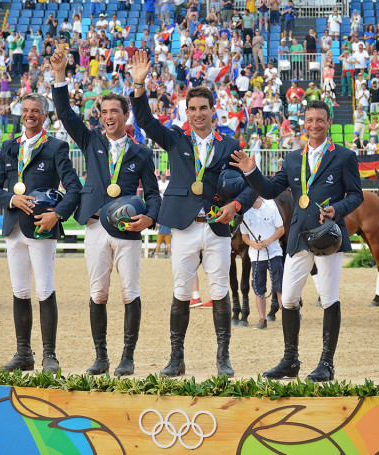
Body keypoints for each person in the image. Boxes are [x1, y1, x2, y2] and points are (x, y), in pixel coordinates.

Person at [131, 50, 257, 378]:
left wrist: (236, 206)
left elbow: (253, 185)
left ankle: (223, 358)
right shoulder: (175, 139)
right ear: (186, 112)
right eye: (193, 109)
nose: (198, 114)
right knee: (181, 292)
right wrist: (139, 85)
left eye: (204, 108)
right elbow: (144, 121)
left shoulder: (231, 145)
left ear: (214, 111)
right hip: (185, 228)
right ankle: (176, 358)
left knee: (218, 291)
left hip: (216, 227)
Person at [231, 100, 363, 382]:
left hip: (328, 237)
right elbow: (269, 190)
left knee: (328, 298)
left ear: (328, 123)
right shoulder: (292, 159)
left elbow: (356, 195)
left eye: (320, 120)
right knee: (289, 298)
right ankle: (291, 360)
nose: (314, 125)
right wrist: (251, 172)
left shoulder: (344, 156)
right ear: (303, 123)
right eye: (309, 120)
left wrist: (336, 210)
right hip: (299, 238)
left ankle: (326, 363)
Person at [51, 45, 161, 376]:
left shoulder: (141, 153)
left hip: (127, 229)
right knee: (98, 293)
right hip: (96, 226)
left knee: (130, 293)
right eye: (104, 112)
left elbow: (154, 194)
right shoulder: (90, 141)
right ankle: (101, 356)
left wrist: (150, 218)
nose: (109, 116)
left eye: (114, 111)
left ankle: (127, 356)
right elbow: (66, 114)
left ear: (125, 116)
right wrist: (59, 76)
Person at [0, 93, 82, 373]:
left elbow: (74, 188)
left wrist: (58, 214)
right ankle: (23, 353)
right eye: (26, 110)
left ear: (45, 115)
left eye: (36, 111)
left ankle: (49, 355)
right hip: (13, 228)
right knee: (19, 291)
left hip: (41, 227)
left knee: (45, 290)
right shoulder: (8, 147)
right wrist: (10, 199)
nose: (30, 114)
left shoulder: (56, 147)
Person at [240, 196, 284, 329]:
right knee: (259, 289)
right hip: (256, 256)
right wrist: (252, 244)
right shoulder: (245, 212)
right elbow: (244, 236)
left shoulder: (271, 207)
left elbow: (281, 229)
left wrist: (269, 241)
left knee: (280, 286)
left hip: (274, 253)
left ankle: (288, 316)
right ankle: (262, 319)